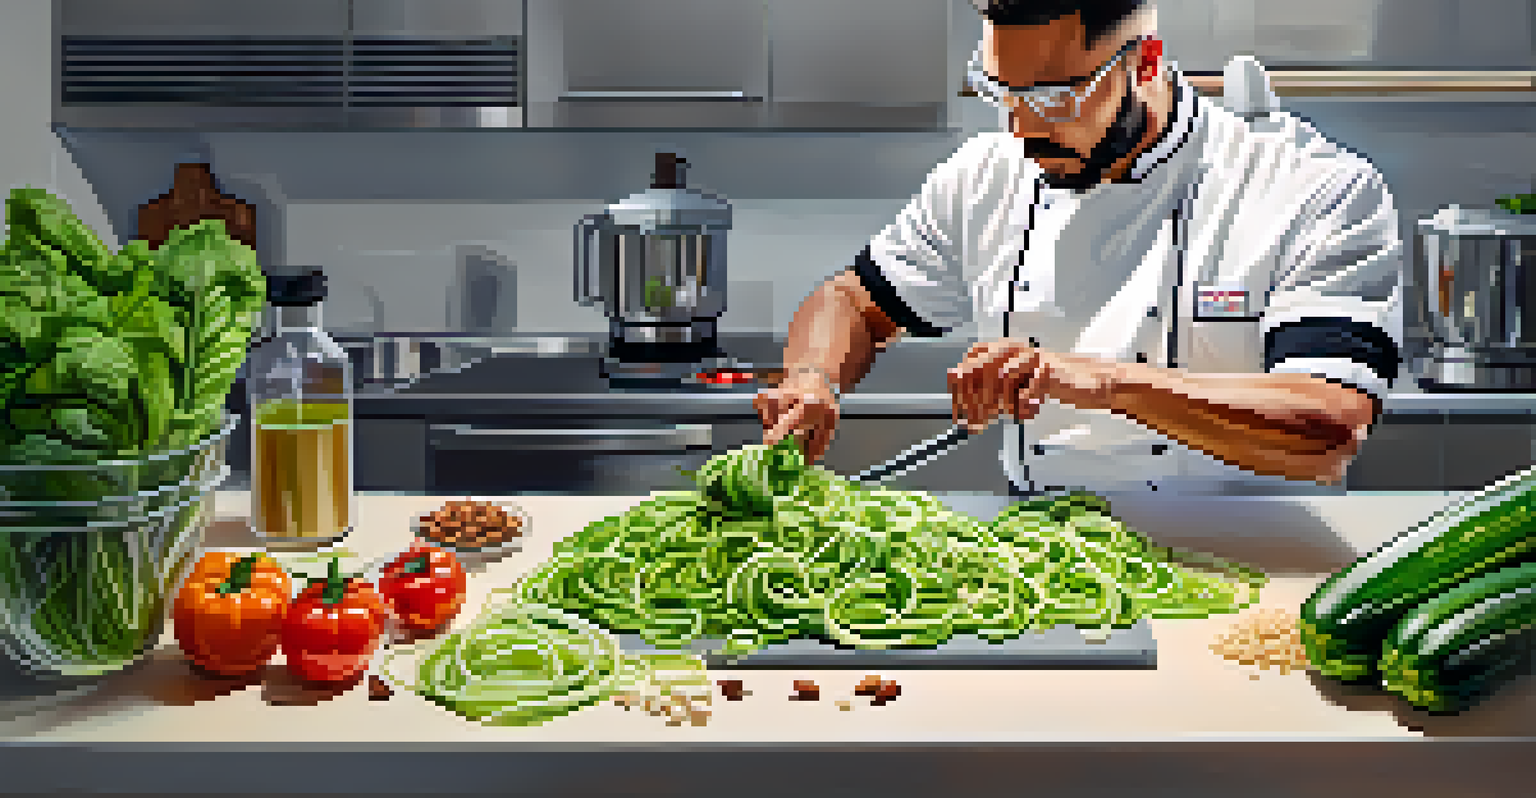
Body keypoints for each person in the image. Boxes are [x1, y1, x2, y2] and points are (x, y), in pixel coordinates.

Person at [753, 0, 1403, 496]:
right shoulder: (986, 176)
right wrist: (813, 376)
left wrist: (1098, 379)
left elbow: (1330, 426)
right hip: (1045, 563)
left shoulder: (1309, 188)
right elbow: (851, 300)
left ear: (1144, 62)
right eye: (1000, 90)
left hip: (1256, 569)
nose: (1021, 125)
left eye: (1055, 98)